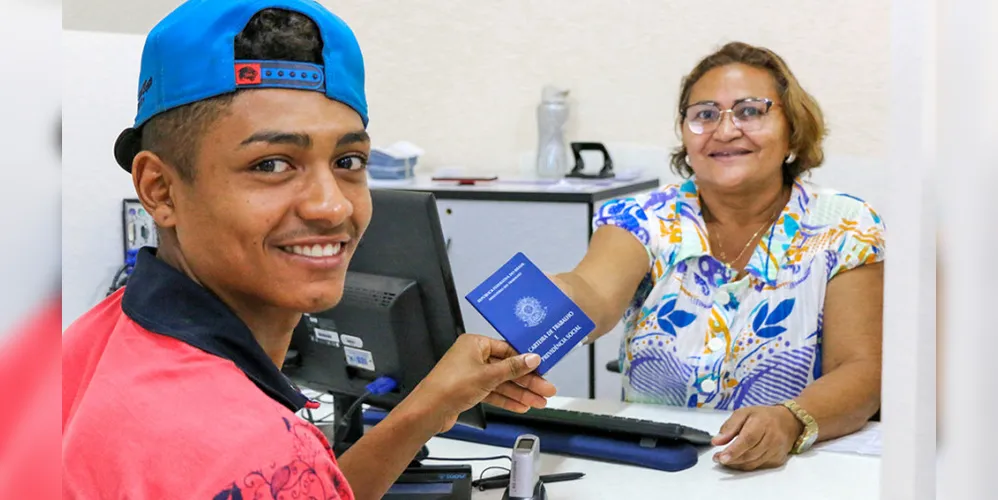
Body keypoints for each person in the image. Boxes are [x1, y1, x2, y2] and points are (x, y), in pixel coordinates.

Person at [61, 2, 555, 499]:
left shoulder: (94, 341)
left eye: (348, 160)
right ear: (161, 190)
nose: (332, 205)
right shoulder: (249, 450)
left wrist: (427, 408)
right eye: (272, 164)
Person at [552, 41, 885, 471]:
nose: (725, 131)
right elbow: (591, 294)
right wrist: (544, 301)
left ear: (792, 129)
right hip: (660, 468)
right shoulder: (643, 218)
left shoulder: (846, 225)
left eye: (750, 111)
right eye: (705, 115)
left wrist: (789, 421)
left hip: (798, 471)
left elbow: (861, 370)